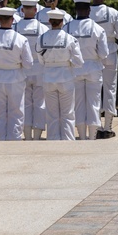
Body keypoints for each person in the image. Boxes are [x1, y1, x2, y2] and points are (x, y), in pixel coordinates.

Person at [0, 7, 34, 140]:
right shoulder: (21, 39)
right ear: (13, 20)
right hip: (15, 77)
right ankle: (14, 139)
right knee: (16, 111)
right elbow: (28, 63)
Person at [66, 0, 110, 139]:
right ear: (89, 10)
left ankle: (82, 136)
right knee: (94, 103)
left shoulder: (67, 27)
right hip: (93, 68)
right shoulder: (97, 29)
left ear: (76, 10)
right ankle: (92, 136)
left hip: (75, 69)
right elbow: (104, 53)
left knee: (78, 104)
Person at [37, 9, 83, 141]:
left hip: (48, 78)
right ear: (62, 22)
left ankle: (53, 140)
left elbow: (40, 60)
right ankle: (68, 141)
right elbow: (79, 61)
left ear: (50, 21)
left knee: (51, 114)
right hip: (66, 78)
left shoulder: (41, 38)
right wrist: (68, 63)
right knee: (67, 113)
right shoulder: (70, 39)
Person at [89, 0, 118, 136]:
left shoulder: (86, 13)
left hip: (93, 53)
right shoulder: (112, 12)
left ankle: (97, 126)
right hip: (110, 52)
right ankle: (108, 127)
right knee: (110, 89)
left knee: (95, 90)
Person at [16, 0, 47, 140]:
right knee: (40, 103)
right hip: (39, 68)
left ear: (22, 10)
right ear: (36, 10)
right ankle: (37, 136)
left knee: (25, 103)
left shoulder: (15, 27)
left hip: (22, 69)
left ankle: (27, 135)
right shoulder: (43, 28)